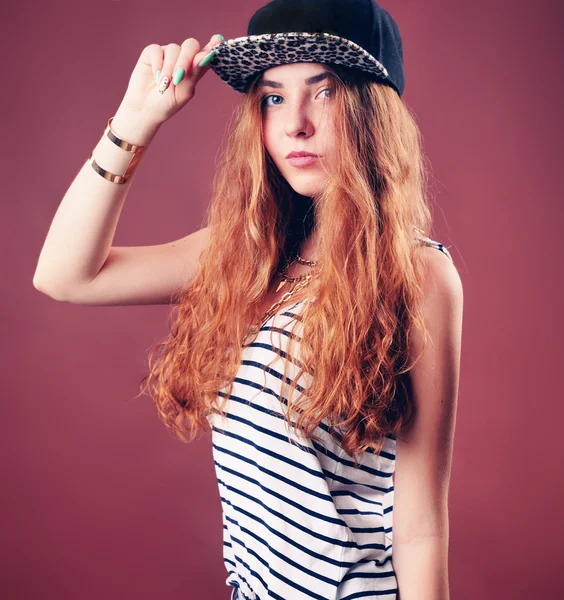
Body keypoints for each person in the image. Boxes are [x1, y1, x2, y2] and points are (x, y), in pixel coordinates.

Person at [33, 0, 463, 598]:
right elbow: (64, 275)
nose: (295, 124)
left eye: (325, 91)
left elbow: (419, 529)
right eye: (273, 98)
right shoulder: (243, 257)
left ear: (373, 112)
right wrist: (136, 120)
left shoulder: (418, 273)